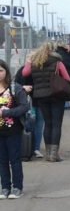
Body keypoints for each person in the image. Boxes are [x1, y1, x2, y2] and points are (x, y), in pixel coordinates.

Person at [22, 42, 70, 162]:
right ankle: (54, 155)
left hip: (41, 96)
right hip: (56, 96)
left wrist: (29, 61)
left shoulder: (35, 63)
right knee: (56, 124)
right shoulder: (58, 62)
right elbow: (67, 78)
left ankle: (48, 153)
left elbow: (24, 73)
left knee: (48, 123)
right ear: (53, 50)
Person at [0, 59, 31, 198]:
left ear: (6, 71)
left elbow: (24, 106)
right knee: (2, 160)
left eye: (1, 71)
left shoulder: (15, 88)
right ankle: (5, 187)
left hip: (13, 130)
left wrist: (7, 112)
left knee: (14, 159)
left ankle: (17, 187)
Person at [15, 66, 44, 159]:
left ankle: (24, 146)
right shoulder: (43, 69)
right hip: (40, 99)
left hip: (25, 100)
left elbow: (17, 84)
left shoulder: (23, 69)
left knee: (25, 123)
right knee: (39, 124)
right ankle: (35, 148)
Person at [56, 43, 70, 110]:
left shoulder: (58, 53)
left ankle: (66, 104)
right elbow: (67, 64)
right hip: (64, 74)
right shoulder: (63, 54)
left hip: (59, 75)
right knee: (66, 89)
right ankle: (66, 105)